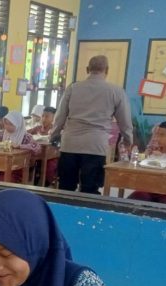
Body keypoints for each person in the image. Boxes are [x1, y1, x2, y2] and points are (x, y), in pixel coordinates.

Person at [51, 55, 132, 194]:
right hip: (95, 145)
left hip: (70, 143)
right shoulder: (116, 91)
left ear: (87, 69)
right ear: (107, 70)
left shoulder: (73, 88)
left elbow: (60, 116)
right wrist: (128, 140)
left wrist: (55, 135)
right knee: (90, 189)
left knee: (65, 187)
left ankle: (64, 214)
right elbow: (125, 121)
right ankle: (85, 214)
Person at [128, 120, 166, 204]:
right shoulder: (156, 149)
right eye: (157, 135)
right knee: (136, 198)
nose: (157, 138)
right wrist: (148, 155)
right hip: (152, 189)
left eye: (162, 135)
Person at [0, 112, 40, 182]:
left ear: (18, 124)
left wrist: (20, 146)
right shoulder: (4, 133)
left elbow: (37, 148)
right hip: (2, 166)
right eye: (6, 124)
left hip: (18, 170)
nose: (7, 126)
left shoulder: (26, 136)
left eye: (11, 124)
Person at [29, 106, 58, 186]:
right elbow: (26, 134)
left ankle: (45, 184)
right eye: (43, 116)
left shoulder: (55, 130)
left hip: (52, 156)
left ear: (54, 118)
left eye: (47, 116)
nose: (44, 119)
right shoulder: (37, 128)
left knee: (50, 165)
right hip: (37, 155)